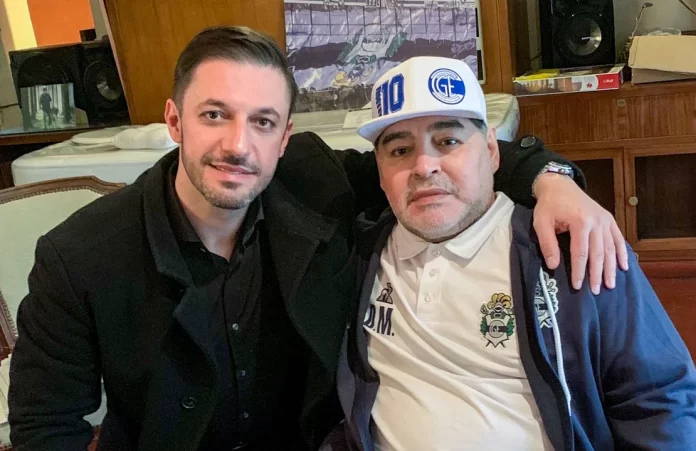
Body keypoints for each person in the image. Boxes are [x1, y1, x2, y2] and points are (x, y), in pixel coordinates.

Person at [9, 27, 625, 451]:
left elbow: (436, 162)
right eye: (215, 115)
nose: (238, 145)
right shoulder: (78, 256)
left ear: (285, 137)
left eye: (263, 122)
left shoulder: (311, 178)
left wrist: (553, 179)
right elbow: (45, 427)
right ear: (174, 120)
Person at [328, 56, 696, 450]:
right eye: (400, 150)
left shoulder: (575, 246)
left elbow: (660, 399)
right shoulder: (359, 253)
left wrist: (553, 177)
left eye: (448, 141)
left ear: (491, 151)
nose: (424, 166)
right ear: (379, 170)